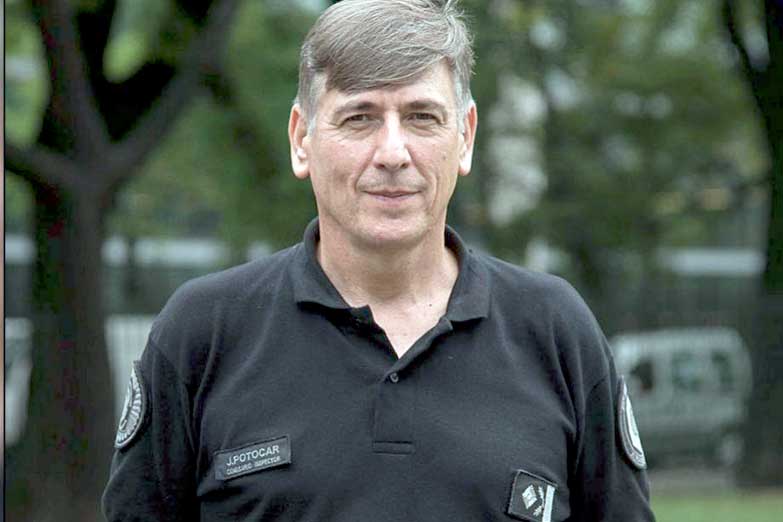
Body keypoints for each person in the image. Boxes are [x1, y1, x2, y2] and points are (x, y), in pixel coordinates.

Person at [102, 1, 655, 520]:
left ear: (465, 137)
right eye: (359, 118)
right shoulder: (205, 333)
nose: (393, 153)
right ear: (301, 139)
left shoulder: (555, 332)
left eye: (422, 117)